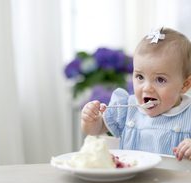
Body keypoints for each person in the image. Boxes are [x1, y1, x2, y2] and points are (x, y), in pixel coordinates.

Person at [81, 27, 191, 161]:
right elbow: (95, 130)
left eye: (160, 79)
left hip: (174, 181)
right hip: (132, 180)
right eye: (140, 77)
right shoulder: (128, 108)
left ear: (185, 85)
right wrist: (91, 120)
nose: (147, 88)